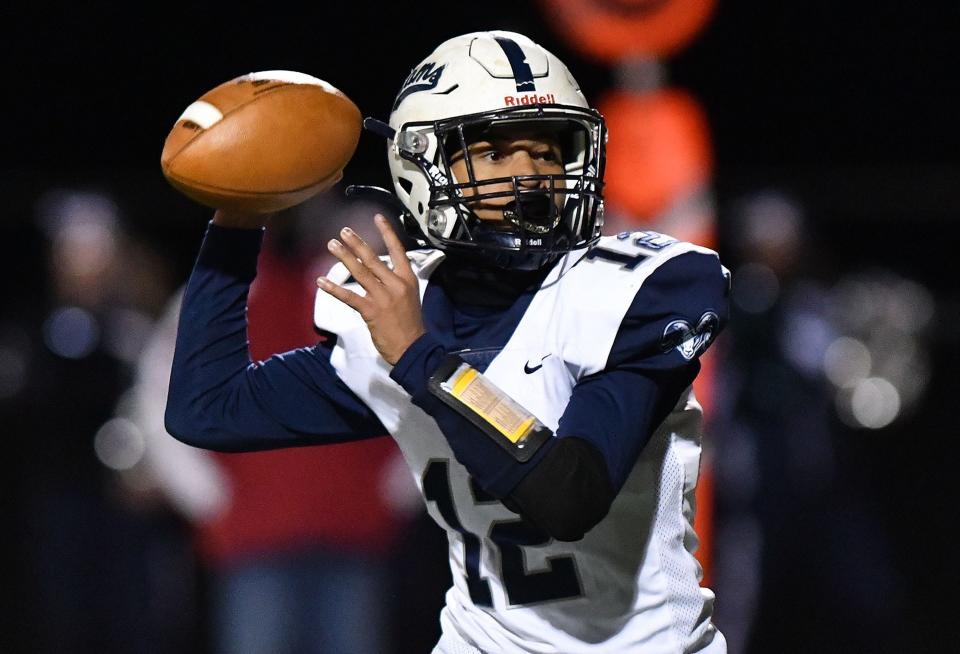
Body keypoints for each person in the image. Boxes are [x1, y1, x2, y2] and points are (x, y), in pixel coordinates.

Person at [166, 30, 731, 654]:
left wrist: (420, 359)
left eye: (548, 149)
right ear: (422, 168)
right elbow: (207, 408)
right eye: (496, 154)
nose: (530, 175)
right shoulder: (405, 305)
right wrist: (238, 220)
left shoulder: (634, 292)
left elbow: (569, 497)